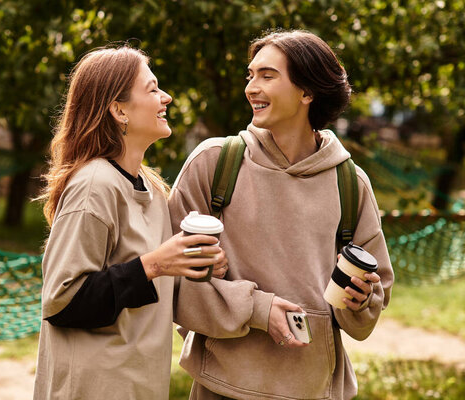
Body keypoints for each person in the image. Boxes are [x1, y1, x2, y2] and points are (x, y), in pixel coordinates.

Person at [169, 30, 394, 399]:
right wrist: (259, 309)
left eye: (267, 76)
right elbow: (169, 279)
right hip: (223, 386)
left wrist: (359, 299)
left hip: (314, 387)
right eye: (250, 75)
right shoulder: (214, 164)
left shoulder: (350, 183)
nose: (251, 88)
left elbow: (375, 296)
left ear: (307, 93)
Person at [33, 46, 227, 399]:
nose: (166, 97)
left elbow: (147, 283)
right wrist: (155, 265)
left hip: (139, 385)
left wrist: (195, 263)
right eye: (152, 89)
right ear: (119, 109)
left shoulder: (151, 189)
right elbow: (62, 300)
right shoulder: (95, 185)